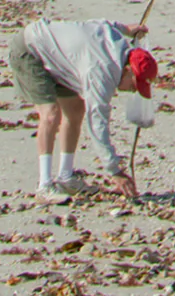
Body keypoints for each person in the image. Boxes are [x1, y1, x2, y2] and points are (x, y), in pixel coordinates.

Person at [9, 17, 158, 204]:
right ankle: (44, 186)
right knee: (51, 114)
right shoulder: (101, 72)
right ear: (128, 70)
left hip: (59, 58)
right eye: (135, 84)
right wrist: (115, 171)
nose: (134, 90)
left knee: (75, 110)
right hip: (30, 49)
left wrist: (127, 29)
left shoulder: (118, 44)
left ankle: (65, 178)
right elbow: (97, 123)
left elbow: (106, 24)